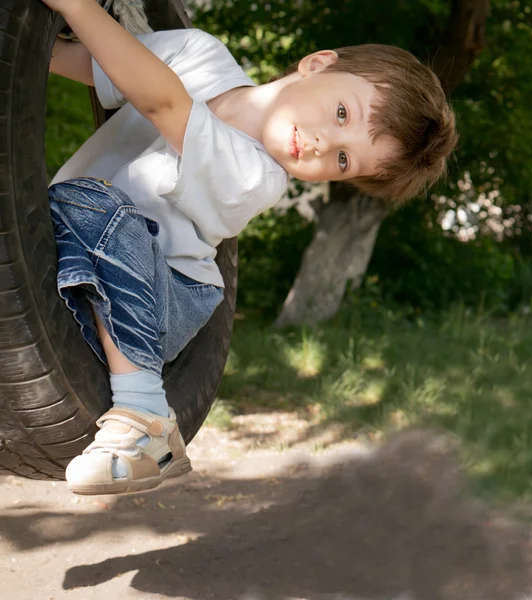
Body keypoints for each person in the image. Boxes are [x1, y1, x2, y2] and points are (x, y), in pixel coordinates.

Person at [42, 0, 458, 495]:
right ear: (317, 64)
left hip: (159, 297)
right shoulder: (200, 54)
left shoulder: (256, 178)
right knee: (79, 207)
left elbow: (164, 103)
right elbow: (91, 61)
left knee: (93, 205)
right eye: (342, 113)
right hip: (80, 251)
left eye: (345, 160)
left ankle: (147, 415)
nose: (326, 143)